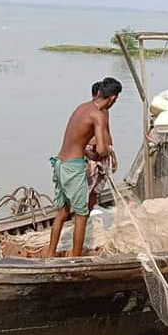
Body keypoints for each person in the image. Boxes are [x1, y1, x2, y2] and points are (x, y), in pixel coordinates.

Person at [46, 77, 122, 257]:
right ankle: (76, 258)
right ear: (112, 98)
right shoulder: (99, 115)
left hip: (60, 164)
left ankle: (49, 254)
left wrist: (90, 153)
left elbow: (76, 141)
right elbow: (102, 148)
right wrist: (103, 154)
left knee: (62, 211)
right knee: (82, 214)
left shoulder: (82, 107)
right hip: (73, 167)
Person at [85, 81, 117, 213]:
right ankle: (83, 216)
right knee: (86, 190)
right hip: (92, 153)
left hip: (103, 152)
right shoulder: (91, 112)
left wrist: (112, 154)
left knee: (96, 191)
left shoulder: (105, 112)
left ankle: (91, 213)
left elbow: (107, 132)